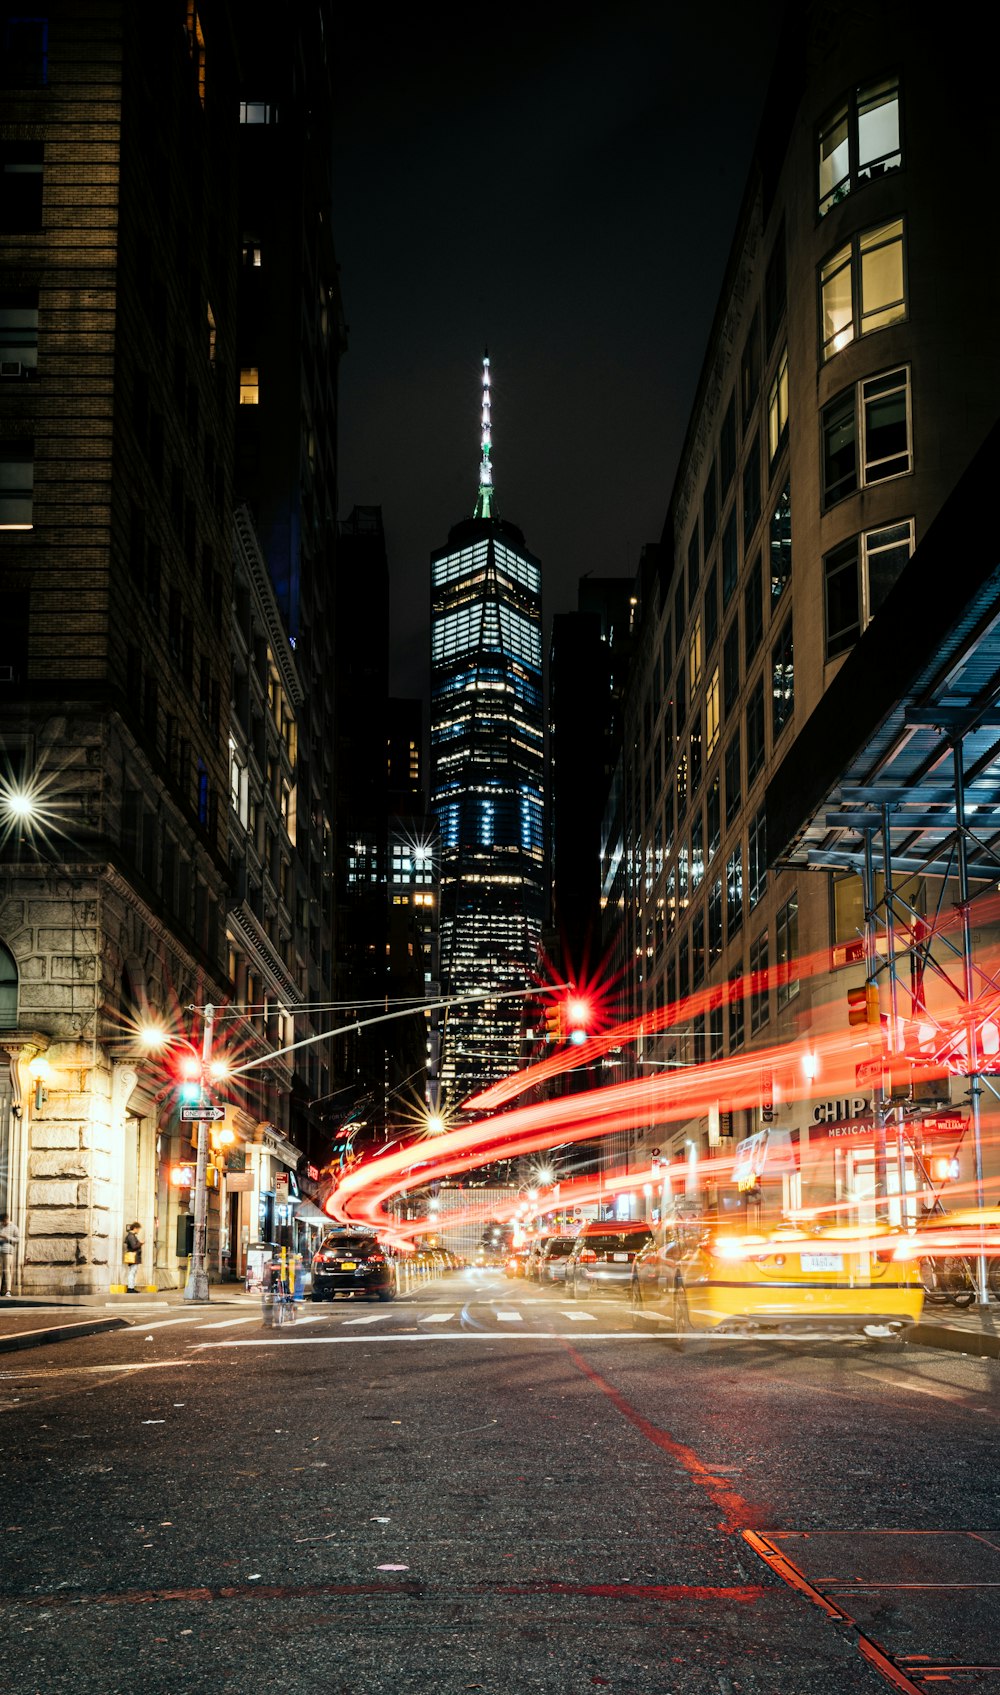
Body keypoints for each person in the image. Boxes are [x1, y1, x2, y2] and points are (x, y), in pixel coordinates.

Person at [0, 1213, 19, 1297]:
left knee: (7, 1270)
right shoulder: (0, 1226)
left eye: (4, 1221)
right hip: (0, 1250)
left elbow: (18, 1239)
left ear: (7, 1219)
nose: (3, 1223)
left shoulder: (14, 1227)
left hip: (8, 1251)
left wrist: (7, 1237)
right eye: (2, 1222)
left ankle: (8, 1291)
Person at [124, 1221, 143, 1292]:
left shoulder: (132, 1236)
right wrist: (141, 1243)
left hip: (134, 1256)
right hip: (133, 1256)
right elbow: (134, 1246)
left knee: (133, 1272)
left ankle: (131, 1287)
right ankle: (130, 1288)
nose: (138, 1230)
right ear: (135, 1228)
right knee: (132, 1272)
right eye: (138, 1229)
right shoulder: (131, 1236)